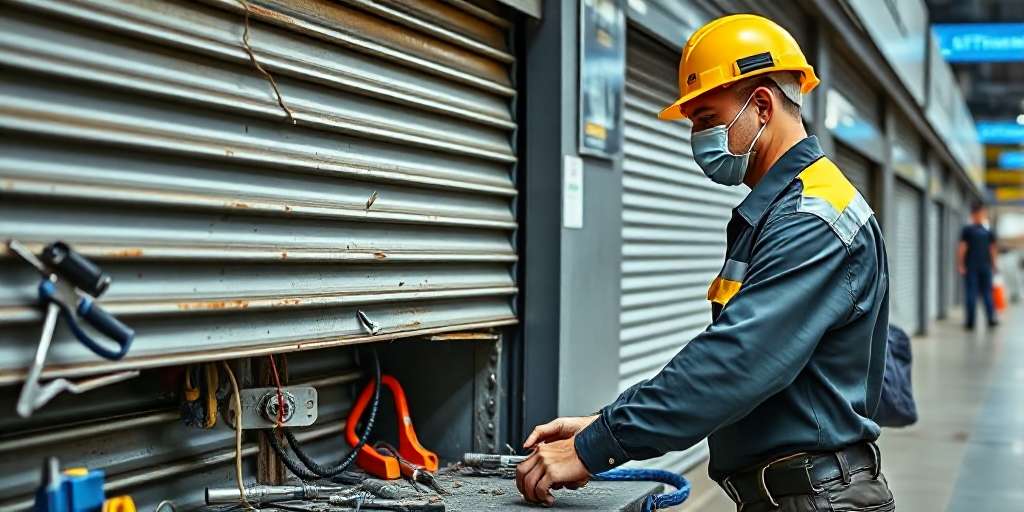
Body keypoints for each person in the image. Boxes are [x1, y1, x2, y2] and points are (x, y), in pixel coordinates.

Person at [516, 14, 894, 512]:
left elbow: (737, 361)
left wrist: (595, 445)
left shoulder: (811, 220)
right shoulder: (781, 210)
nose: (697, 139)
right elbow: (731, 359)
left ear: (761, 105)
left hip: (818, 498)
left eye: (707, 119)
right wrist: (606, 420)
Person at [958, 203, 999, 328]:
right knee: (986, 292)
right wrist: (994, 265)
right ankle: (990, 319)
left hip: (972, 267)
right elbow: (992, 250)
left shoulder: (967, 230)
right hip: (983, 267)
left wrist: (961, 264)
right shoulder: (988, 231)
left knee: (972, 293)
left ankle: (970, 322)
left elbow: (962, 248)